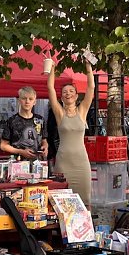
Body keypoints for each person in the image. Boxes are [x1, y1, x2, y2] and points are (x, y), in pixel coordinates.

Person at [47, 59, 95, 207]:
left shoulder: (82, 111)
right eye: (65, 92)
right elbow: (50, 89)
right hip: (63, 162)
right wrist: (52, 69)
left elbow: (91, 87)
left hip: (81, 162)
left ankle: (86, 229)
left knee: (85, 201)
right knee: (62, 201)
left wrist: (88, 68)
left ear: (76, 95)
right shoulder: (59, 113)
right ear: (61, 97)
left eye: (71, 91)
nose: (68, 94)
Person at [0, 86, 48, 161]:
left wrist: (45, 147)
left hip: (38, 164)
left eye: (30, 99)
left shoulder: (40, 120)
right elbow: (3, 145)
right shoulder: (11, 121)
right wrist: (20, 152)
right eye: (24, 98)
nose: (27, 101)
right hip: (17, 164)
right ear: (19, 100)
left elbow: (44, 140)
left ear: (34, 102)